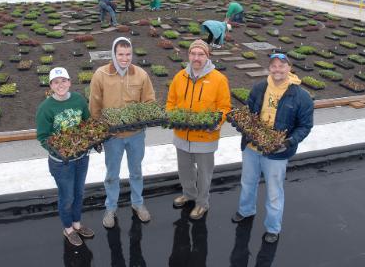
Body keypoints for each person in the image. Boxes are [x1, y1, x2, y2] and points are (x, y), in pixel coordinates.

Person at [232, 53, 314, 244]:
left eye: (281, 66)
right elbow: (249, 111)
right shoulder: (260, 87)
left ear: (289, 67)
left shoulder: (301, 96)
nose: (277, 69)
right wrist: (242, 124)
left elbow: (305, 126)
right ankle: (245, 211)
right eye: (274, 66)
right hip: (252, 146)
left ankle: (273, 228)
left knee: (274, 191)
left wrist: (288, 142)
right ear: (269, 68)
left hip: (277, 153)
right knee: (247, 182)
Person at [89, 37, 156, 228]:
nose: (125, 58)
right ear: (114, 54)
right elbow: (94, 106)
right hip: (112, 137)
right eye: (121, 54)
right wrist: (97, 133)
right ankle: (110, 208)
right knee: (112, 174)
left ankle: (138, 203)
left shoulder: (141, 75)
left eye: (128, 54)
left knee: (136, 171)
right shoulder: (101, 75)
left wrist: (139, 116)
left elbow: (149, 102)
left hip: (135, 134)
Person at [166, 39, 232, 220]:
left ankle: (202, 203)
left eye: (201, 54)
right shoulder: (180, 77)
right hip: (182, 134)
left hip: (205, 136)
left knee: (204, 173)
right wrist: (172, 115)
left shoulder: (218, 79)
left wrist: (216, 122)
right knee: (185, 169)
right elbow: (171, 102)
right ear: (188, 55)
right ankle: (188, 194)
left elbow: (224, 107)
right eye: (193, 54)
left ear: (207, 56)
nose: (196, 58)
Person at [36, 67, 95, 247]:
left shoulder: (78, 100)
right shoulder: (45, 108)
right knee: (67, 196)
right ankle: (68, 228)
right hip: (61, 163)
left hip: (82, 157)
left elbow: (87, 123)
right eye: (56, 82)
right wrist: (58, 150)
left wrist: (92, 138)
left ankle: (77, 224)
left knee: (79, 193)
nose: (60, 85)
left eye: (63, 81)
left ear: (69, 82)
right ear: (51, 86)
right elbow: (43, 137)